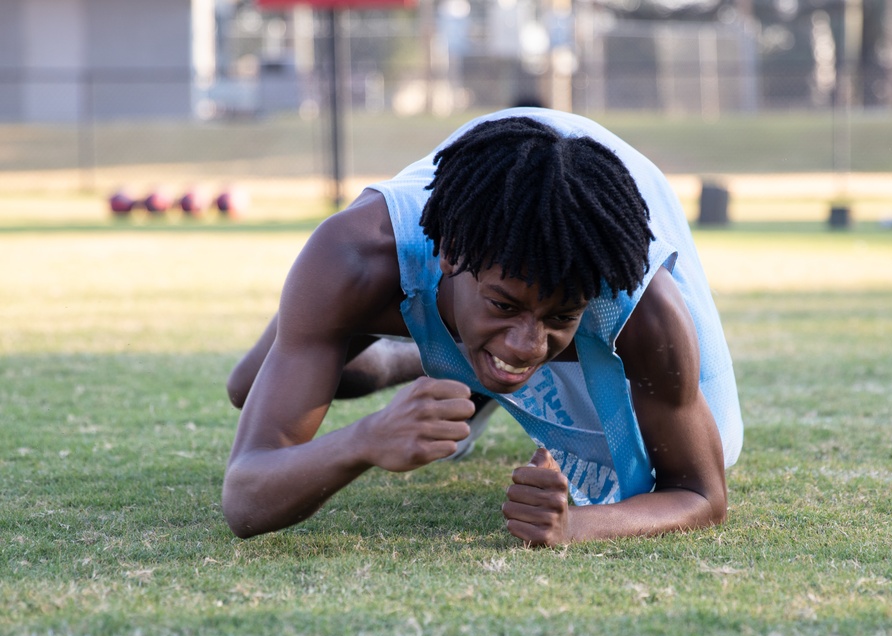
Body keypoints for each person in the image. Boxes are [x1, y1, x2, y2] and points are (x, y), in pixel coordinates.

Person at [222, 108, 743, 546]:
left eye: (561, 317)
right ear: (449, 254)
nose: (527, 344)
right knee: (248, 386)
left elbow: (700, 494)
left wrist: (574, 526)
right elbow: (246, 498)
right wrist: (366, 439)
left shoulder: (643, 308)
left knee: (709, 445)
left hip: (607, 220)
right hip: (484, 185)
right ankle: (414, 360)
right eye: (502, 304)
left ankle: (468, 362)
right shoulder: (356, 256)